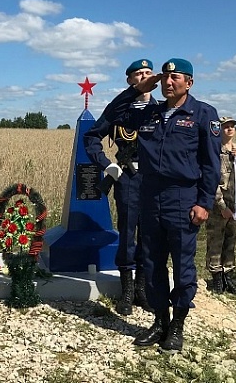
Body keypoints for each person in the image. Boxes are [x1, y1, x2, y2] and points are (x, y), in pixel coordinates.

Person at [103, 58, 221, 352]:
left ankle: (178, 324)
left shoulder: (204, 114)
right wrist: (135, 90)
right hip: (149, 195)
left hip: (183, 198)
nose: (168, 82)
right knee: (152, 262)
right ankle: (160, 321)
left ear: (189, 83)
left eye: (176, 78)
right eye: (165, 78)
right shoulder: (150, 113)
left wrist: (204, 203)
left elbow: (211, 164)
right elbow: (112, 117)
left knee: (182, 265)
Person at [84, 59, 154, 315]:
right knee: (126, 234)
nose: (145, 77)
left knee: (149, 235)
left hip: (154, 180)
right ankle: (125, 291)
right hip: (128, 178)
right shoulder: (118, 111)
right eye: (139, 74)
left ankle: (142, 290)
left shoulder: (161, 110)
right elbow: (91, 137)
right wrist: (107, 165)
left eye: (148, 72)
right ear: (130, 81)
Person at [205, 116, 236, 295]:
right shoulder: (213, 152)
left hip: (235, 203)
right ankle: (216, 279)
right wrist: (222, 206)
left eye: (232, 127)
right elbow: (211, 181)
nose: (229, 129)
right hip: (218, 205)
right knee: (215, 241)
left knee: (230, 241)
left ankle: (228, 276)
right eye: (225, 127)